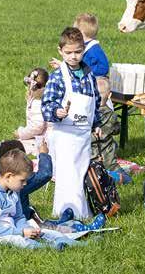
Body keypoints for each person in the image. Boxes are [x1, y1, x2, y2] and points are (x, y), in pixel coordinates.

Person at [42, 26, 103, 219]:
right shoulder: (58, 76)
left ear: (84, 50)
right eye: (68, 53)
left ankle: (82, 210)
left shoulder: (89, 74)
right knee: (68, 175)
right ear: (60, 51)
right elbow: (47, 104)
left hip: (83, 135)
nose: (73, 56)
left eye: (78, 52)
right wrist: (56, 112)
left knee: (81, 171)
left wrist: (96, 124)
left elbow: (95, 102)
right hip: (65, 135)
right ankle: (67, 211)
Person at [0, 150, 77, 250]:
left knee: (44, 232)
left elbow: (19, 216)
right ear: (9, 176)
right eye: (22, 180)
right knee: (17, 240)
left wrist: (28, 229)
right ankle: (47, 248)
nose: (25, 184)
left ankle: (73, 243)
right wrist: (21, 232)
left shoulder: (13, 189)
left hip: (7, 227)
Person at [0, 139, 52, 222]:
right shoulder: (17, 179)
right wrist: (43, 154)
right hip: (19, 223)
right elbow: (45, 174)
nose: (24, 183)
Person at [91, 77, 128, 183]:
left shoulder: (88, 114)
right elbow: (117, 130)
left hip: (89, 160)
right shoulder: (111, 115)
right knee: (126, 179)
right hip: (108, 161)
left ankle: (98, 175)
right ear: (110, 95)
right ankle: (108, 176)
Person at [16, 68, 48, 155]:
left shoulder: (38, 103)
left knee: (16, 146)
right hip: (40, 135)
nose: (28, 89)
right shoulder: (39, 99)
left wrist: (21, 133)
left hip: (42, 139)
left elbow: (37, 127)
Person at [73, 12, 110, 80]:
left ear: (81, 33)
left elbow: (104, 67)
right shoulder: (85, 46)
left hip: (94, 83)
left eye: (75, 33)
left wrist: (88, 72)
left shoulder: (94, 49)